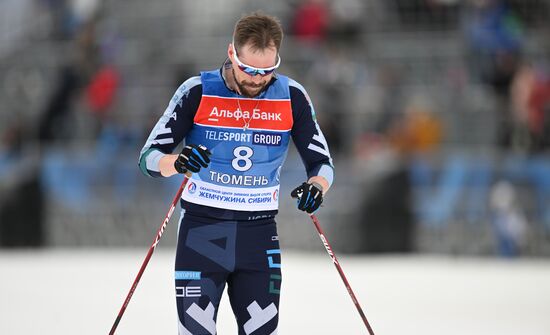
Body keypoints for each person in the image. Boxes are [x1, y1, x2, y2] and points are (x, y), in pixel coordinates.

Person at [138, 12, 334, 335]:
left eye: (267, 71)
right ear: (232, 53)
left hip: (258, 238)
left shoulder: (291, 96)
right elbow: (148, 158)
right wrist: (178, 162)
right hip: (202, 235)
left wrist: (317, 187)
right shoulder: (197, 91)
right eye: (249, 69)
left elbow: (322, 163)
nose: (257, 79)